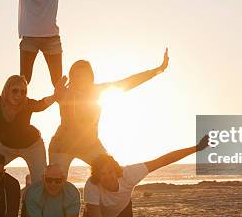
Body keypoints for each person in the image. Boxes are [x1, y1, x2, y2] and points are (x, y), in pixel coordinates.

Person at [77, 135, 209, 217]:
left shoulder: (129, 174)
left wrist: (196, 148)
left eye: (110, 171)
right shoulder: (92, 184)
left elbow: (162, 161)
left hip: (122, 209)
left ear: (115, 169)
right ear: (97, 176)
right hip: (98, 215)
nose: (108, 177)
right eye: (103, 174)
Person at [49, 49, 170, 178]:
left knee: (116, 173)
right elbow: (51, 100)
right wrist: (57, 93)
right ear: (72, 77)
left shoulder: (97, 90)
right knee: (55, 181)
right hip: (63, 146)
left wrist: (160, 69)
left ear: (90, 77)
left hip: (90, 145)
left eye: (84, 75)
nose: (81, 79)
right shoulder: (65, 93)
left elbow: (128, 82)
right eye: (77, 76)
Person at [0, 75, 63, 183]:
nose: (19, 95)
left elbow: (40, 104)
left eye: (23, 92)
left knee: (41, 182)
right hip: (6, 147)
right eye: (15, 91)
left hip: (32, 146)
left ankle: (31, 181)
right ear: (7, 89)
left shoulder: (26, 103)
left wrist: (55, 96)